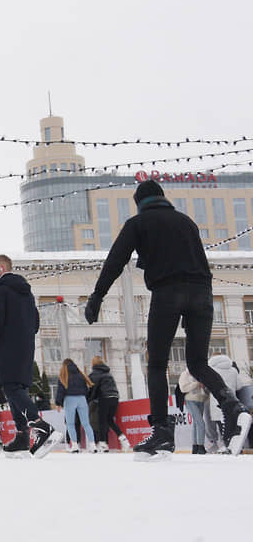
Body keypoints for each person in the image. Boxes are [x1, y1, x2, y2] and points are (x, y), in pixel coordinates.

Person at [84, 180, 252, 459]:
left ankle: (162, 432)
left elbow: (115, 261)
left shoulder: (138, 223)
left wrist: (97, 296)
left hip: (167, 292)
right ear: (162, 197)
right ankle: (232, 406)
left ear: (139, 202)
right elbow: (199, 260)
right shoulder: (186, 222)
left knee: (157, 363)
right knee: (197, 363)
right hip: (202, 293)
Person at [0, 254, 62, 458]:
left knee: (10, 386)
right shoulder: (26, 291)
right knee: (16, 388)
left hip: (7, 346)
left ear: (1, 269)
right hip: (26, 345)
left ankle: (40, 426)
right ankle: (22, 436)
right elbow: (35, 320)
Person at [88, 356, 131, 452]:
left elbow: (92, 389)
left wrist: (89, 399)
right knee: (109, 420)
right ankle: (123, 439)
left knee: (102, 421)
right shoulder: (108, 374)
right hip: (115, 397)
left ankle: (103, 444)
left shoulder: (94, 374)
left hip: (104, 398)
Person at [54, 359, 96, 453]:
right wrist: (86, 398)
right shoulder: (80, 375)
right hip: (82, 399)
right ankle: (93, 445)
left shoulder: (64, 375)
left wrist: (58, 403)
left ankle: (75, 446)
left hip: (69, 400)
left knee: (70, 424)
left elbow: (61, 390)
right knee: (86, 423)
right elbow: (87, 388)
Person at [208, 355, 241, 453]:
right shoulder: (233, 370)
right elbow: (239, 386)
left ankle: (226, 446)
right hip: (232, 400)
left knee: (221, 426)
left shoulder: (211, 370)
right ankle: (235, 445)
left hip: (217, 401)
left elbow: (208, 385)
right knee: (233, 424)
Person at [179, 369, 209, 454]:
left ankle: (195, 446)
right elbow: (183, 388)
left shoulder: (201, 373)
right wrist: (197, 384)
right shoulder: (185, 374)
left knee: (196, 423)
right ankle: (201, 446)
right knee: (200, 423)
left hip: (201, 399)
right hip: (190, 400)